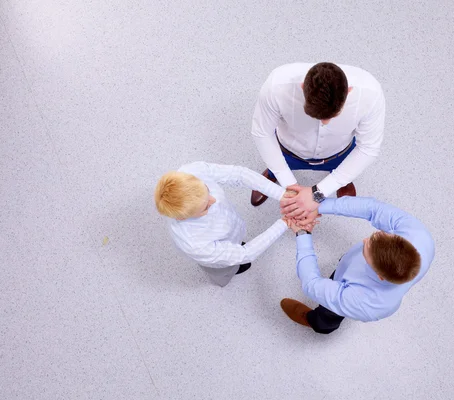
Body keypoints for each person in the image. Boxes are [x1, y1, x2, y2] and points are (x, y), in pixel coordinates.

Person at [250, 62, 386, 225]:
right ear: (302, 88)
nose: (325, 123)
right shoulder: (276, 86)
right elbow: (262, 133)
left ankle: (342, 179)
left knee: (347, 168)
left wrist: (319, 193)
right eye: (318, 117)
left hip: (339, 153)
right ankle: (273, 174)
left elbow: (368, 148)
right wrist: (289, 184)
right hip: (288, 151)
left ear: (349, 92)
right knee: (276, 167)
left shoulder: (370, 94)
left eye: (332, 116)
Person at [280, 196, 434, 334]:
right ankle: (346, 265)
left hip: (352, 296)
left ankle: (316, 322)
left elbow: (311, 284)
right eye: (378, 235)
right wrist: (316, 206)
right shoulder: (419, 235)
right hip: (353, 272)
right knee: (349, 261)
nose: (365, 240)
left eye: (367, 250)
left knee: (328, 315)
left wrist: (302, 234)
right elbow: (373, 209)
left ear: (379, 275)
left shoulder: (365, 304)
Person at [154, 161, 292, 287]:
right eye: (205, 207)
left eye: (207, 190)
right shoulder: (195, 244)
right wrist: (284, 223)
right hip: (217, 262)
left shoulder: (191, 171)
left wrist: (283, 196)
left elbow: (239, 174)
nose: (213, 200)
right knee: (225, 271)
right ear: (184, 218)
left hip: (231, 232)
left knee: (236, 244)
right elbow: (246, 254)